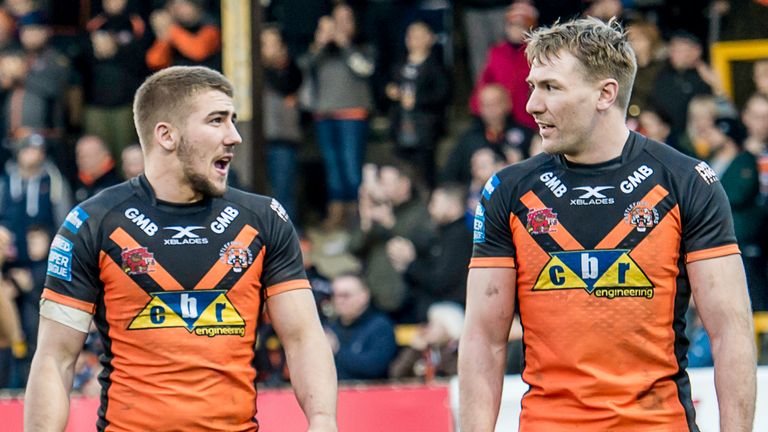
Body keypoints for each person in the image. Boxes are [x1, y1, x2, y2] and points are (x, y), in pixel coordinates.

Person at [459, 18, 756, 432]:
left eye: (551, 87)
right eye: (532, 86)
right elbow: (483, 340)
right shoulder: (508, 191)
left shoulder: (687, 181)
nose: (531, 105)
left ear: (605, 93)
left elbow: (731, 331)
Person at [25, 66, 337, 431]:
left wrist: (323, 421)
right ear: (167, 135)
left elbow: (302, 337)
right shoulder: (91, 223)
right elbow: (54, 359)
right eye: (217, 121)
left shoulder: (264, 219)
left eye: (232, 120)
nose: (234, 136)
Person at [325, 272, 397, 380]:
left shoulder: (380, 326)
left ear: (364, 296)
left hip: (371, 394)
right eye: (335, 295)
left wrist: (337, 350)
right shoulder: (330, 327)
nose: (339, 301)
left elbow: (376, 368)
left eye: (345, 295)